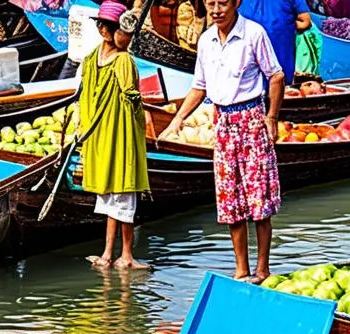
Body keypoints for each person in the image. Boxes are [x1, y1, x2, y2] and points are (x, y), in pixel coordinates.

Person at [159, 0, 284, 282]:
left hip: (252, 117)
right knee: (231, 200)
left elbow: (276, 76)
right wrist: (177, 120)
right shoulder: (205, 41)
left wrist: (272, 117)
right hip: (223, 122)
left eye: (222, 3)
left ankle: (263, 269)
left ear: (236, 3)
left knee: (259, 199)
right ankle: (242, 269)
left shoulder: (253, 33)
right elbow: (199, 87)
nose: (216, 9)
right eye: (211, 3)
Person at [79, 2, 150, 269]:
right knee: (124, 198)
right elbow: (132, 99)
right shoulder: (123, 61)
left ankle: (108, 254)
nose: (128, 39)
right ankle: (127, 256)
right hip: (121, 140)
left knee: (110, 200)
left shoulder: (89, 60)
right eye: (125, 33)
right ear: (107, 31)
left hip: (99, 141)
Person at [239, 0, 311, 84]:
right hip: (278, 60)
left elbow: (305, 22)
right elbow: (305, 22)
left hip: (251, 65)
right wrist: (286, 24)